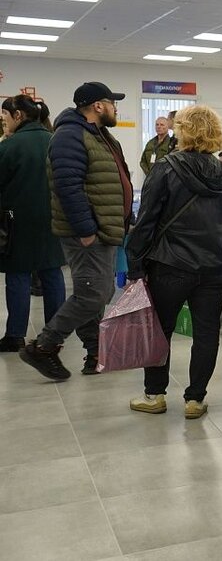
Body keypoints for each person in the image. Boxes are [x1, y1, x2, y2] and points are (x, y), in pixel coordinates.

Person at [125, 105, 222, 419]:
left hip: (169, 265)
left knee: (160, 330)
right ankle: (195, 399)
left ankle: (155, 395)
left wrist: (135, 265)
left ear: (182, 130)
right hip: (215, 267)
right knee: (207, 332)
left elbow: (146, 222)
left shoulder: (165, 168)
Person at [20, 82, 133, 380]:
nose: (115, 107)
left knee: (98, 291)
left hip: (106, 228)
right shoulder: (70, 135)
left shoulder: (101, 135)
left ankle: (95, 352)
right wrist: (85, 229)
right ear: (98, 105)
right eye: (112, 102)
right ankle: (43, 346)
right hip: (87, 231)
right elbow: (67, 186)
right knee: (92, 293)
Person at [0, 95, 65, 353]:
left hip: (17, 222)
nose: (3, 121)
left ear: (19, 116)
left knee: (18, 275)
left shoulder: (10, 146)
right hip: (55, 220)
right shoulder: (56, 141)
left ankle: (15, 334)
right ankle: (55, 333)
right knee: (52, 273)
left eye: (5, 116)